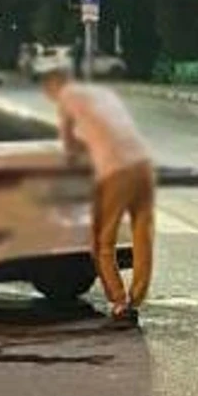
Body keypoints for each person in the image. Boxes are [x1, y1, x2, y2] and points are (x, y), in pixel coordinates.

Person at [40, 64, 154, 326]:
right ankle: (135, 299)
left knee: (102, 242)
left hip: (116, 172)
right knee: (142, 236)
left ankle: (119, 302)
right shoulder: (104, 95)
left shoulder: (67, 98)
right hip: (142, 165)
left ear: (54, 84)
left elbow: (70, 146)